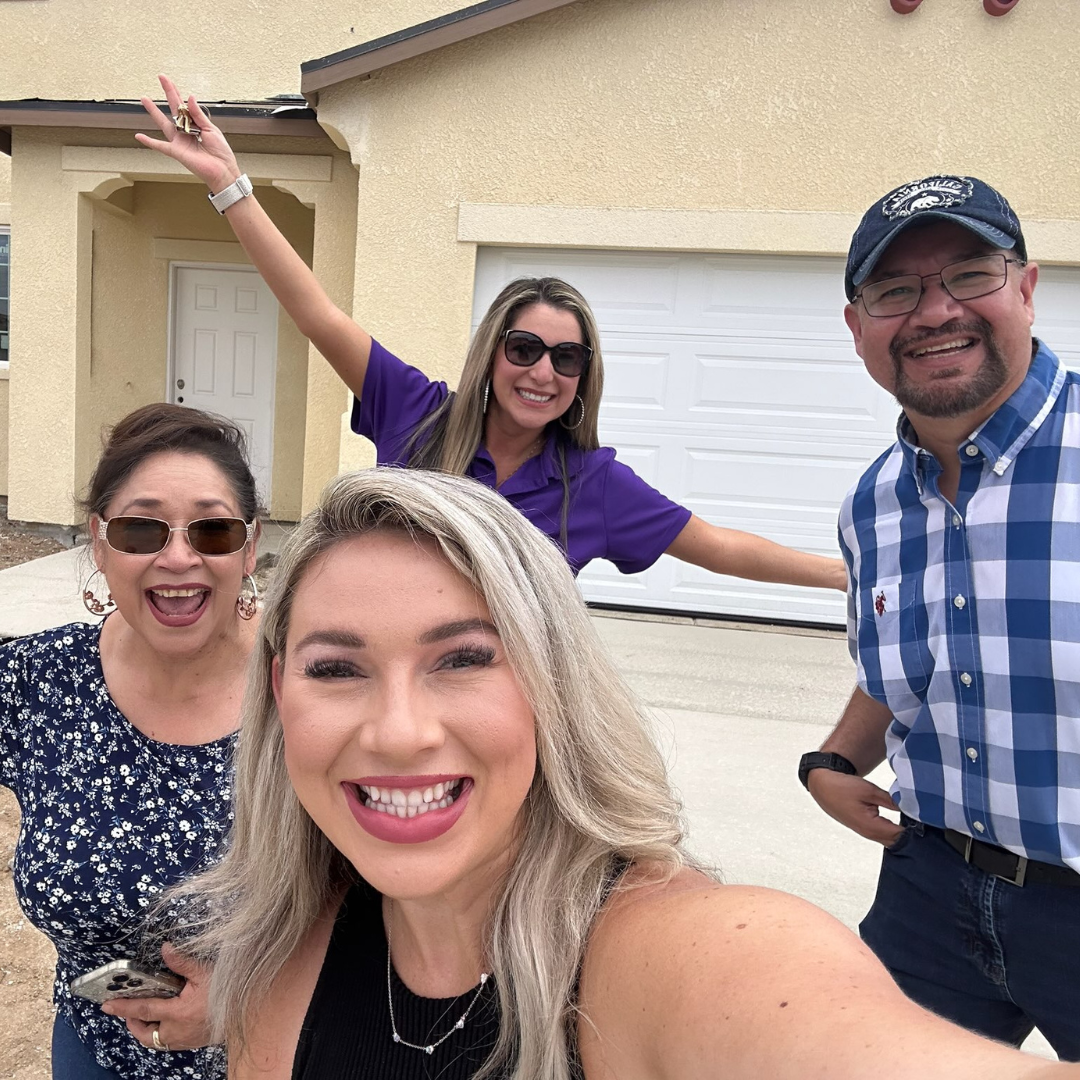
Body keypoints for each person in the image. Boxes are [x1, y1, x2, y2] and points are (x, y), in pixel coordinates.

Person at [173, 466, 1078, 1080]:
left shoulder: (678, 954)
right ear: (277, 699)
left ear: (552, 688)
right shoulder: (282, 957)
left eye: (463, 659)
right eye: (337, 668)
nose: (400, 733)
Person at [134, 75, 845, 589]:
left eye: (566, 359)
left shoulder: (591, 485)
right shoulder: (416, 414)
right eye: (525, 348)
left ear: (582, 381)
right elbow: (317, 313)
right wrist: (231, 188)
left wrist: (847, 577)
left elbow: (720, 546)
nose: (543, 371)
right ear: (494, 354)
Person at [801, 174, 1080, 1058]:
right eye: (896, 290)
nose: (934, 311)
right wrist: (835, 758)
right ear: (859, 328)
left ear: (1026, 288)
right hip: (930, 889)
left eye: (969, 274)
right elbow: (913, 664)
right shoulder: (872, 507)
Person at [0, 403, 262, 1079]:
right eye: (142, 528)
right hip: (94, 1048)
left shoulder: (309, 691)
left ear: (251, 546)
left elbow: (394, 910)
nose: (179, 555)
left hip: (271, 1053)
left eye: (213, 528)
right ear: (100, 542)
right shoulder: (35, 682)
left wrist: (240, 1004)